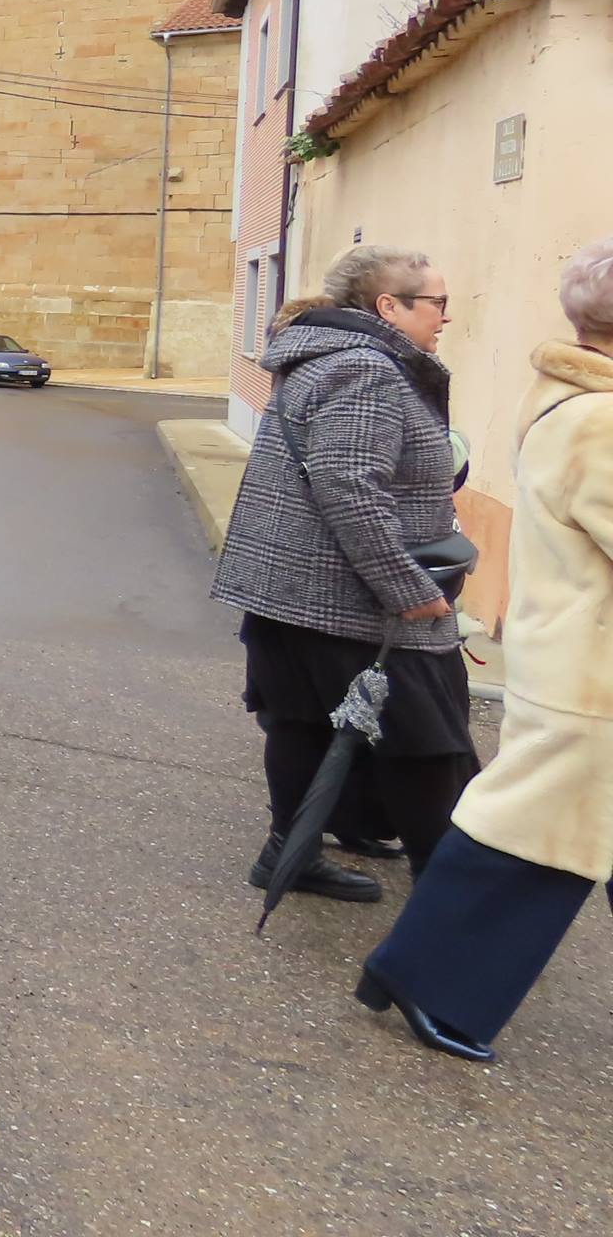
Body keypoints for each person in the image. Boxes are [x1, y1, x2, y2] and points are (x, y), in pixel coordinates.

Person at [357, 239, 613, 1064]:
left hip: (577, 656)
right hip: (592, 675)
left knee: (548, 830)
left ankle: (422, 973)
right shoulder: (601, 419)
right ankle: (423, 975)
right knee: (530, 836)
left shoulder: (574, 396)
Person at [212, 244, 472, 897]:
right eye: (437, 303)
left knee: (300, 722)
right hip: (341, 596)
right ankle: (451, 905)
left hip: (293, 587)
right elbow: (349, 486)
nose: (445, 317)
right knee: (425, 743)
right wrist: (412, 593)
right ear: (389, 305)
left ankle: (288, 854)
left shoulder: (330, 357)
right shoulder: (369, 369)